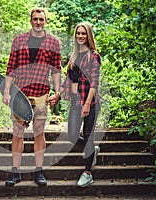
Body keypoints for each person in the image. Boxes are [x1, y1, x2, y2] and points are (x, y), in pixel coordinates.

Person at [2, 8, 61, 187]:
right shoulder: (19, 40)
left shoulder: (53, 42)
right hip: (20, 94)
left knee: (39, 132)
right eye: (35, 19)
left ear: (45, 21)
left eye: (41, 19)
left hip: (42, 92)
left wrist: (57, 92)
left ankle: (39, 171)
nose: (38, 22)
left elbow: (56, 70)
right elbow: (11, 68)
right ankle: (15, 172)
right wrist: (6, 91)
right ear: (30, 21)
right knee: (18, 132)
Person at [60, 22, 101, 187]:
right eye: (78, 33)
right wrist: (57, 94)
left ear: (88, 35)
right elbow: (68, 80)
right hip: (76, 103)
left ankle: (87, 172)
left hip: (90, 103)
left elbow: (94, 83)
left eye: (83, 33)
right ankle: (93, 150)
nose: (80, 36)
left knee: (88, 134)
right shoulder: (74, 56)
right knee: (71, 136)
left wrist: (87, 104)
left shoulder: (94, 56)